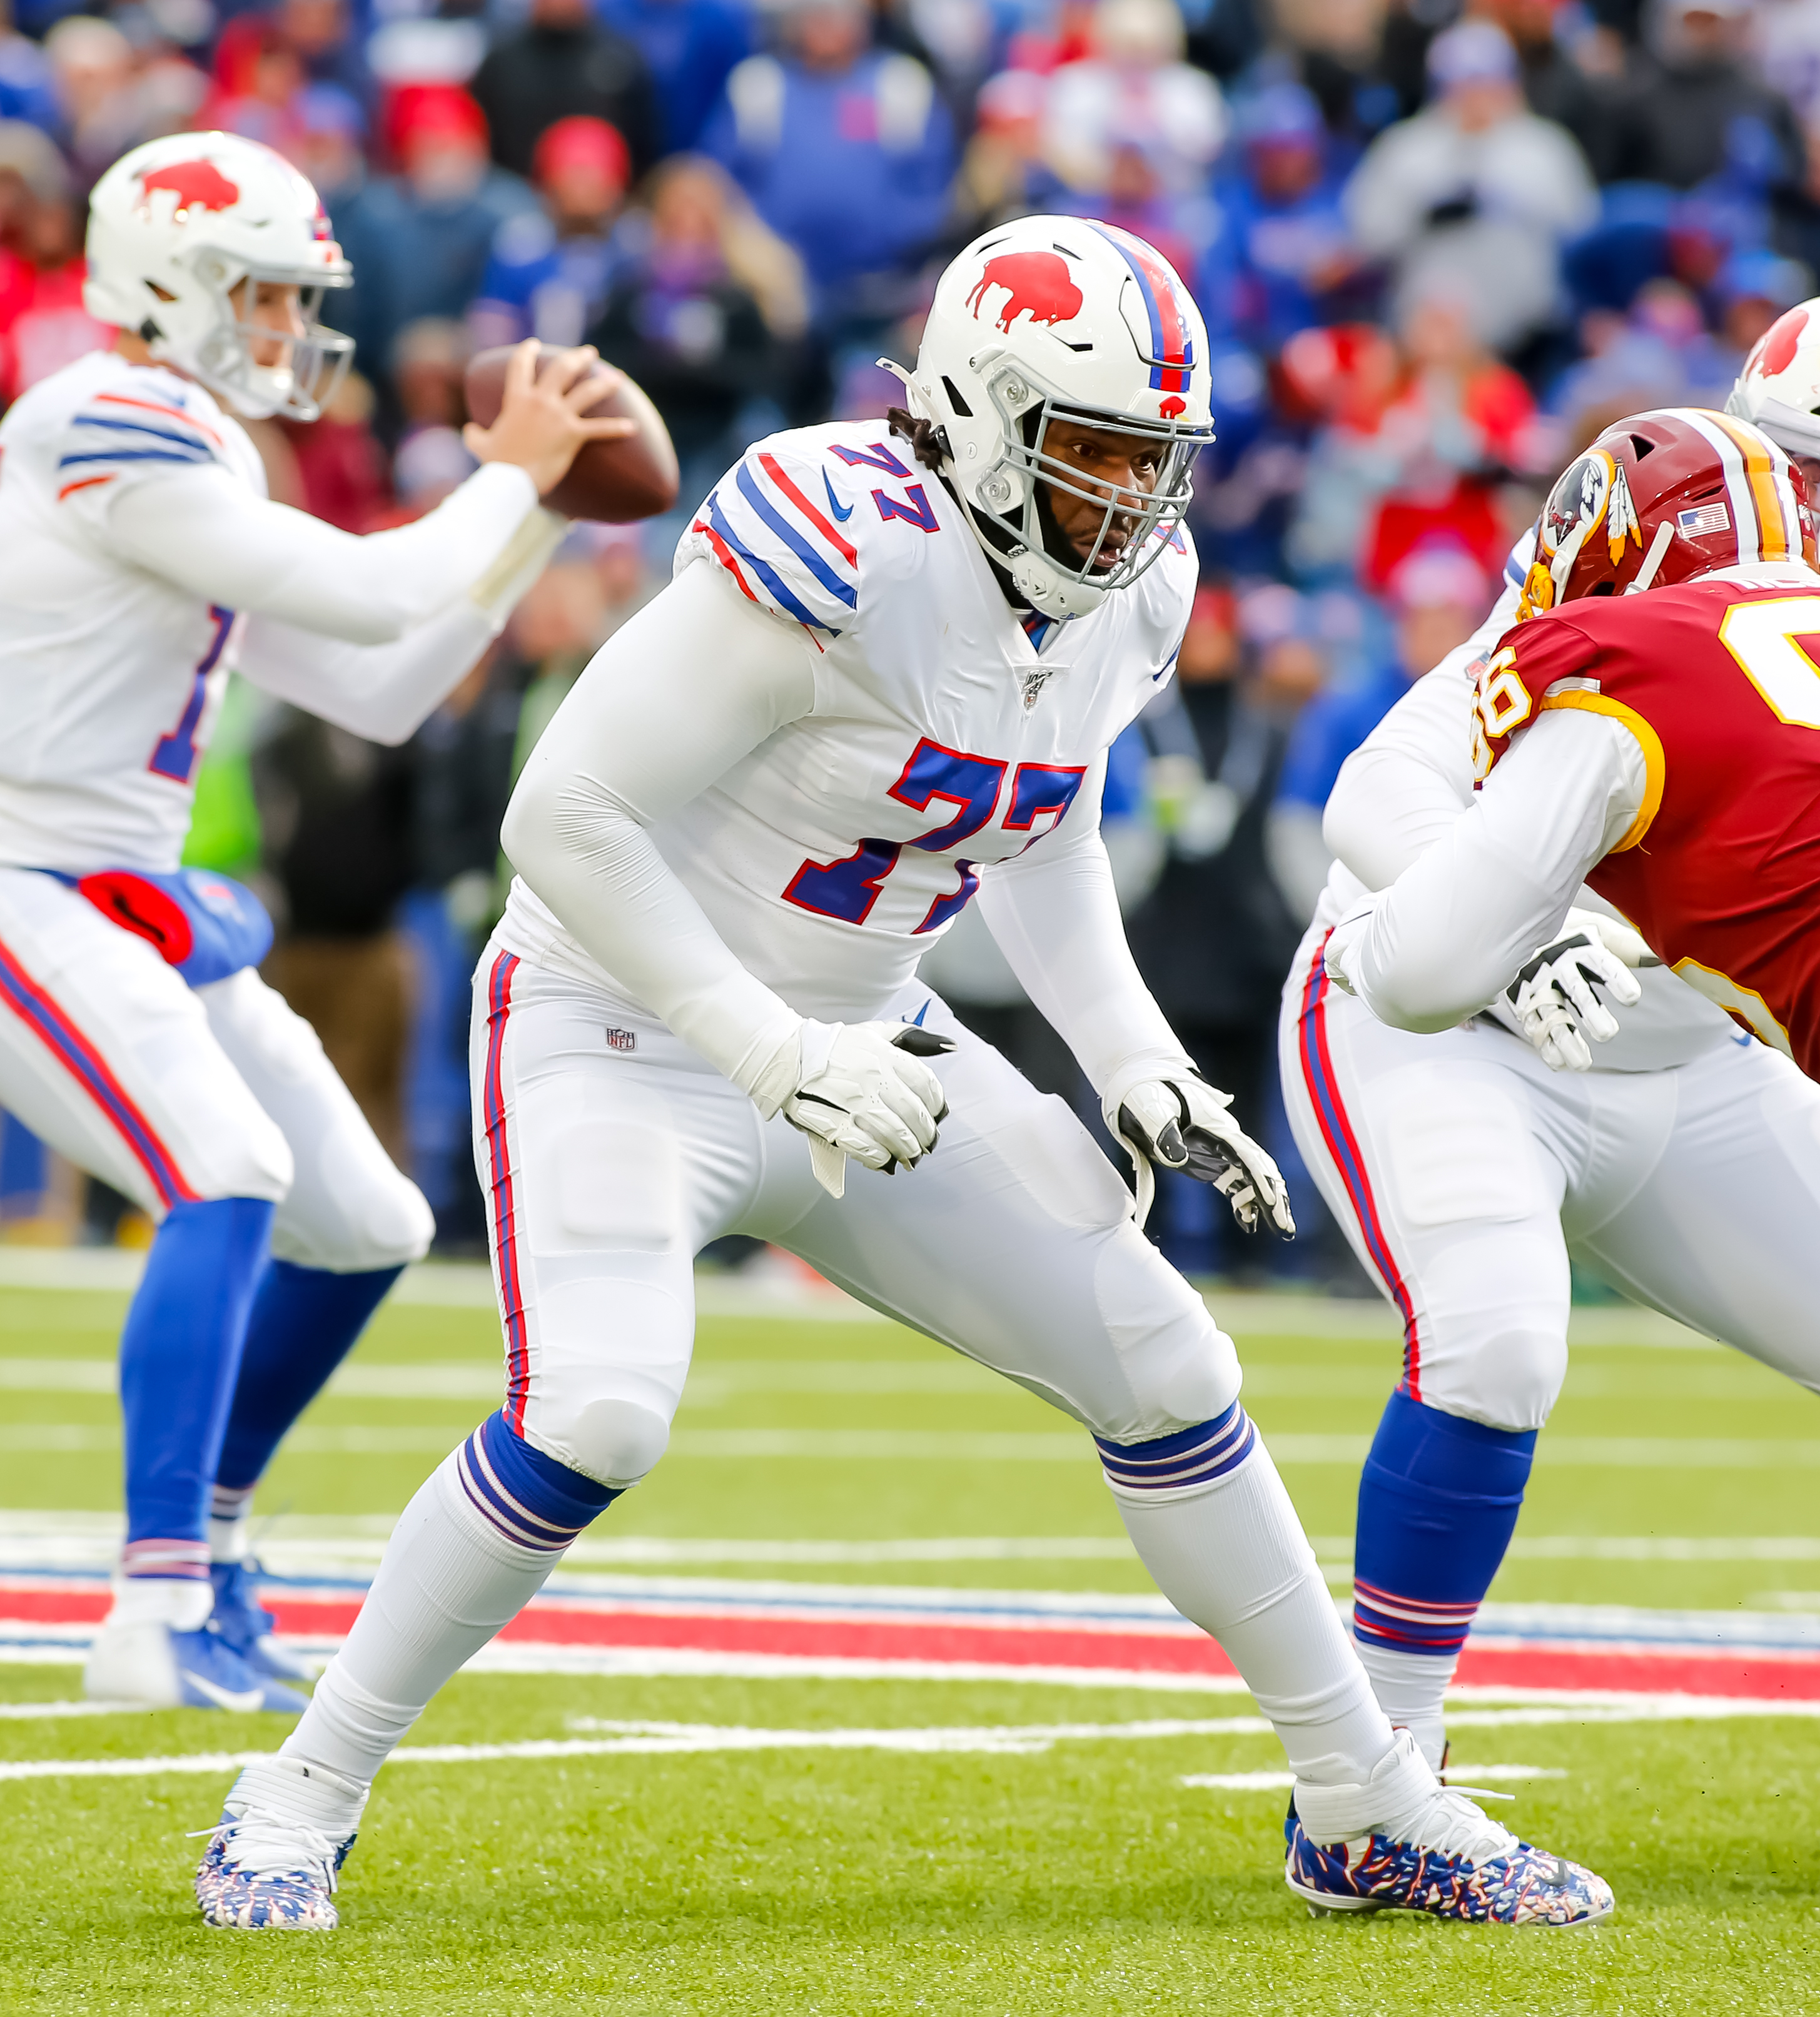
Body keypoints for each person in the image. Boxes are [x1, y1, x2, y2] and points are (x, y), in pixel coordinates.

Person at [193, 216, 1610, 1934]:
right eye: (1090, 451)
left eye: (1152, 461)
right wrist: (760, 1047)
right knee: (599, 1406)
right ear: (977, 414)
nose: (1127, 500)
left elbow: (1040, 810)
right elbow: (560, 819)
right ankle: (297, 1792)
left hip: (872, 1036)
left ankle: (1361, 1799)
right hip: (620, 1025)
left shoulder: (1130, 587)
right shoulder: (840, 540)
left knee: (1167, 1363)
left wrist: (1132, 1059)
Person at [0, 129, 633, 1714]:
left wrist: (540, 517)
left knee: (363, 1216)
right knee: (224, 1171)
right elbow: (370, 596)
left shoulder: (196, 450)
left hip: (120, 895)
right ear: (166, 282)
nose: (288, 330)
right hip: (22, 875)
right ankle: (147, 1612)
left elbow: (384, 682)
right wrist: (513, 468)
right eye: (263, 295)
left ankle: (204, 1560)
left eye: (296, 300)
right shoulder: (100, 412)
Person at [1295, 396, 1820, 1767]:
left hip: (1696, 1060)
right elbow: (1379, 794)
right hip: (1451, 1040)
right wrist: (1517, 935)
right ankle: (1379, 1781)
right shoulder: (1620, 625)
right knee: (1496, 1338)